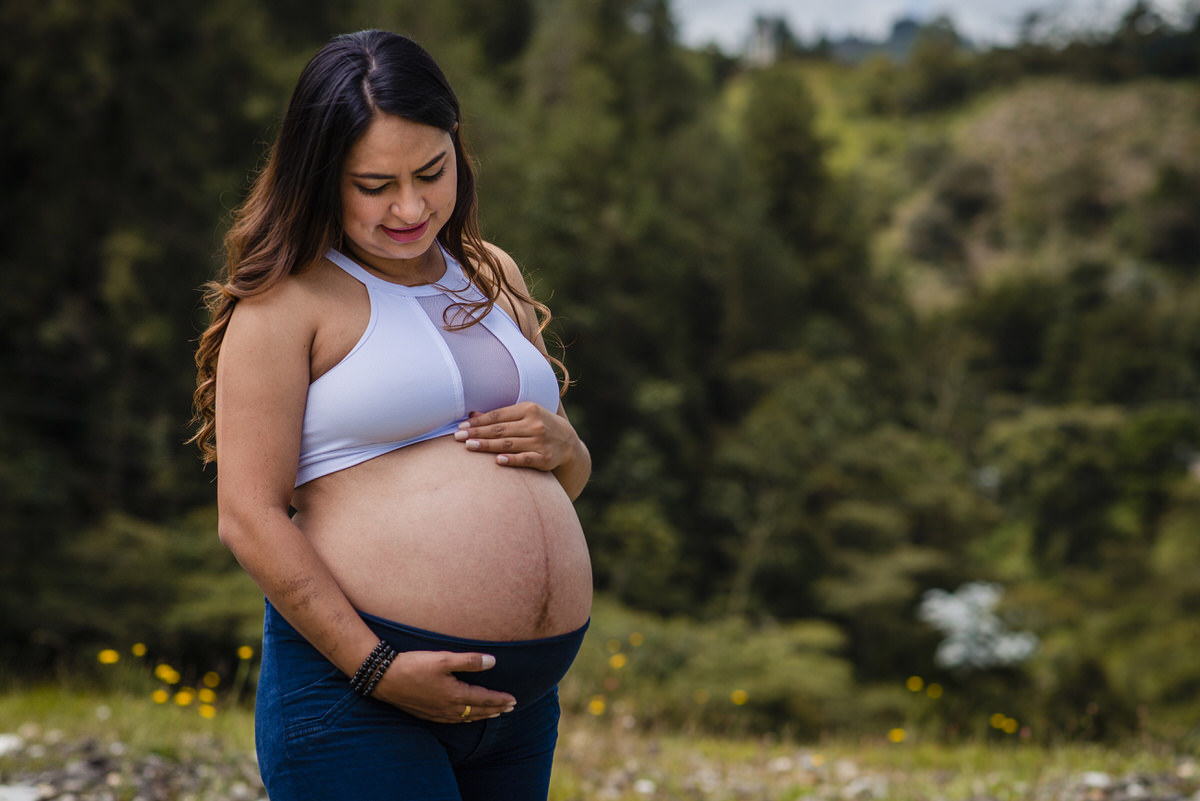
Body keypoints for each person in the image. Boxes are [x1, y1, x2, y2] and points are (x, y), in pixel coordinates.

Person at [189, 30, 593, 801]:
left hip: (519, 710)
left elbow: (559, 479)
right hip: (360, 698)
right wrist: (378, 668)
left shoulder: (489, 271)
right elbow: (248, 515)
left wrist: (565, 444)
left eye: (430, 172)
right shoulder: (286, 303)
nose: (410, 207)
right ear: (319, 178)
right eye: (373, 184)